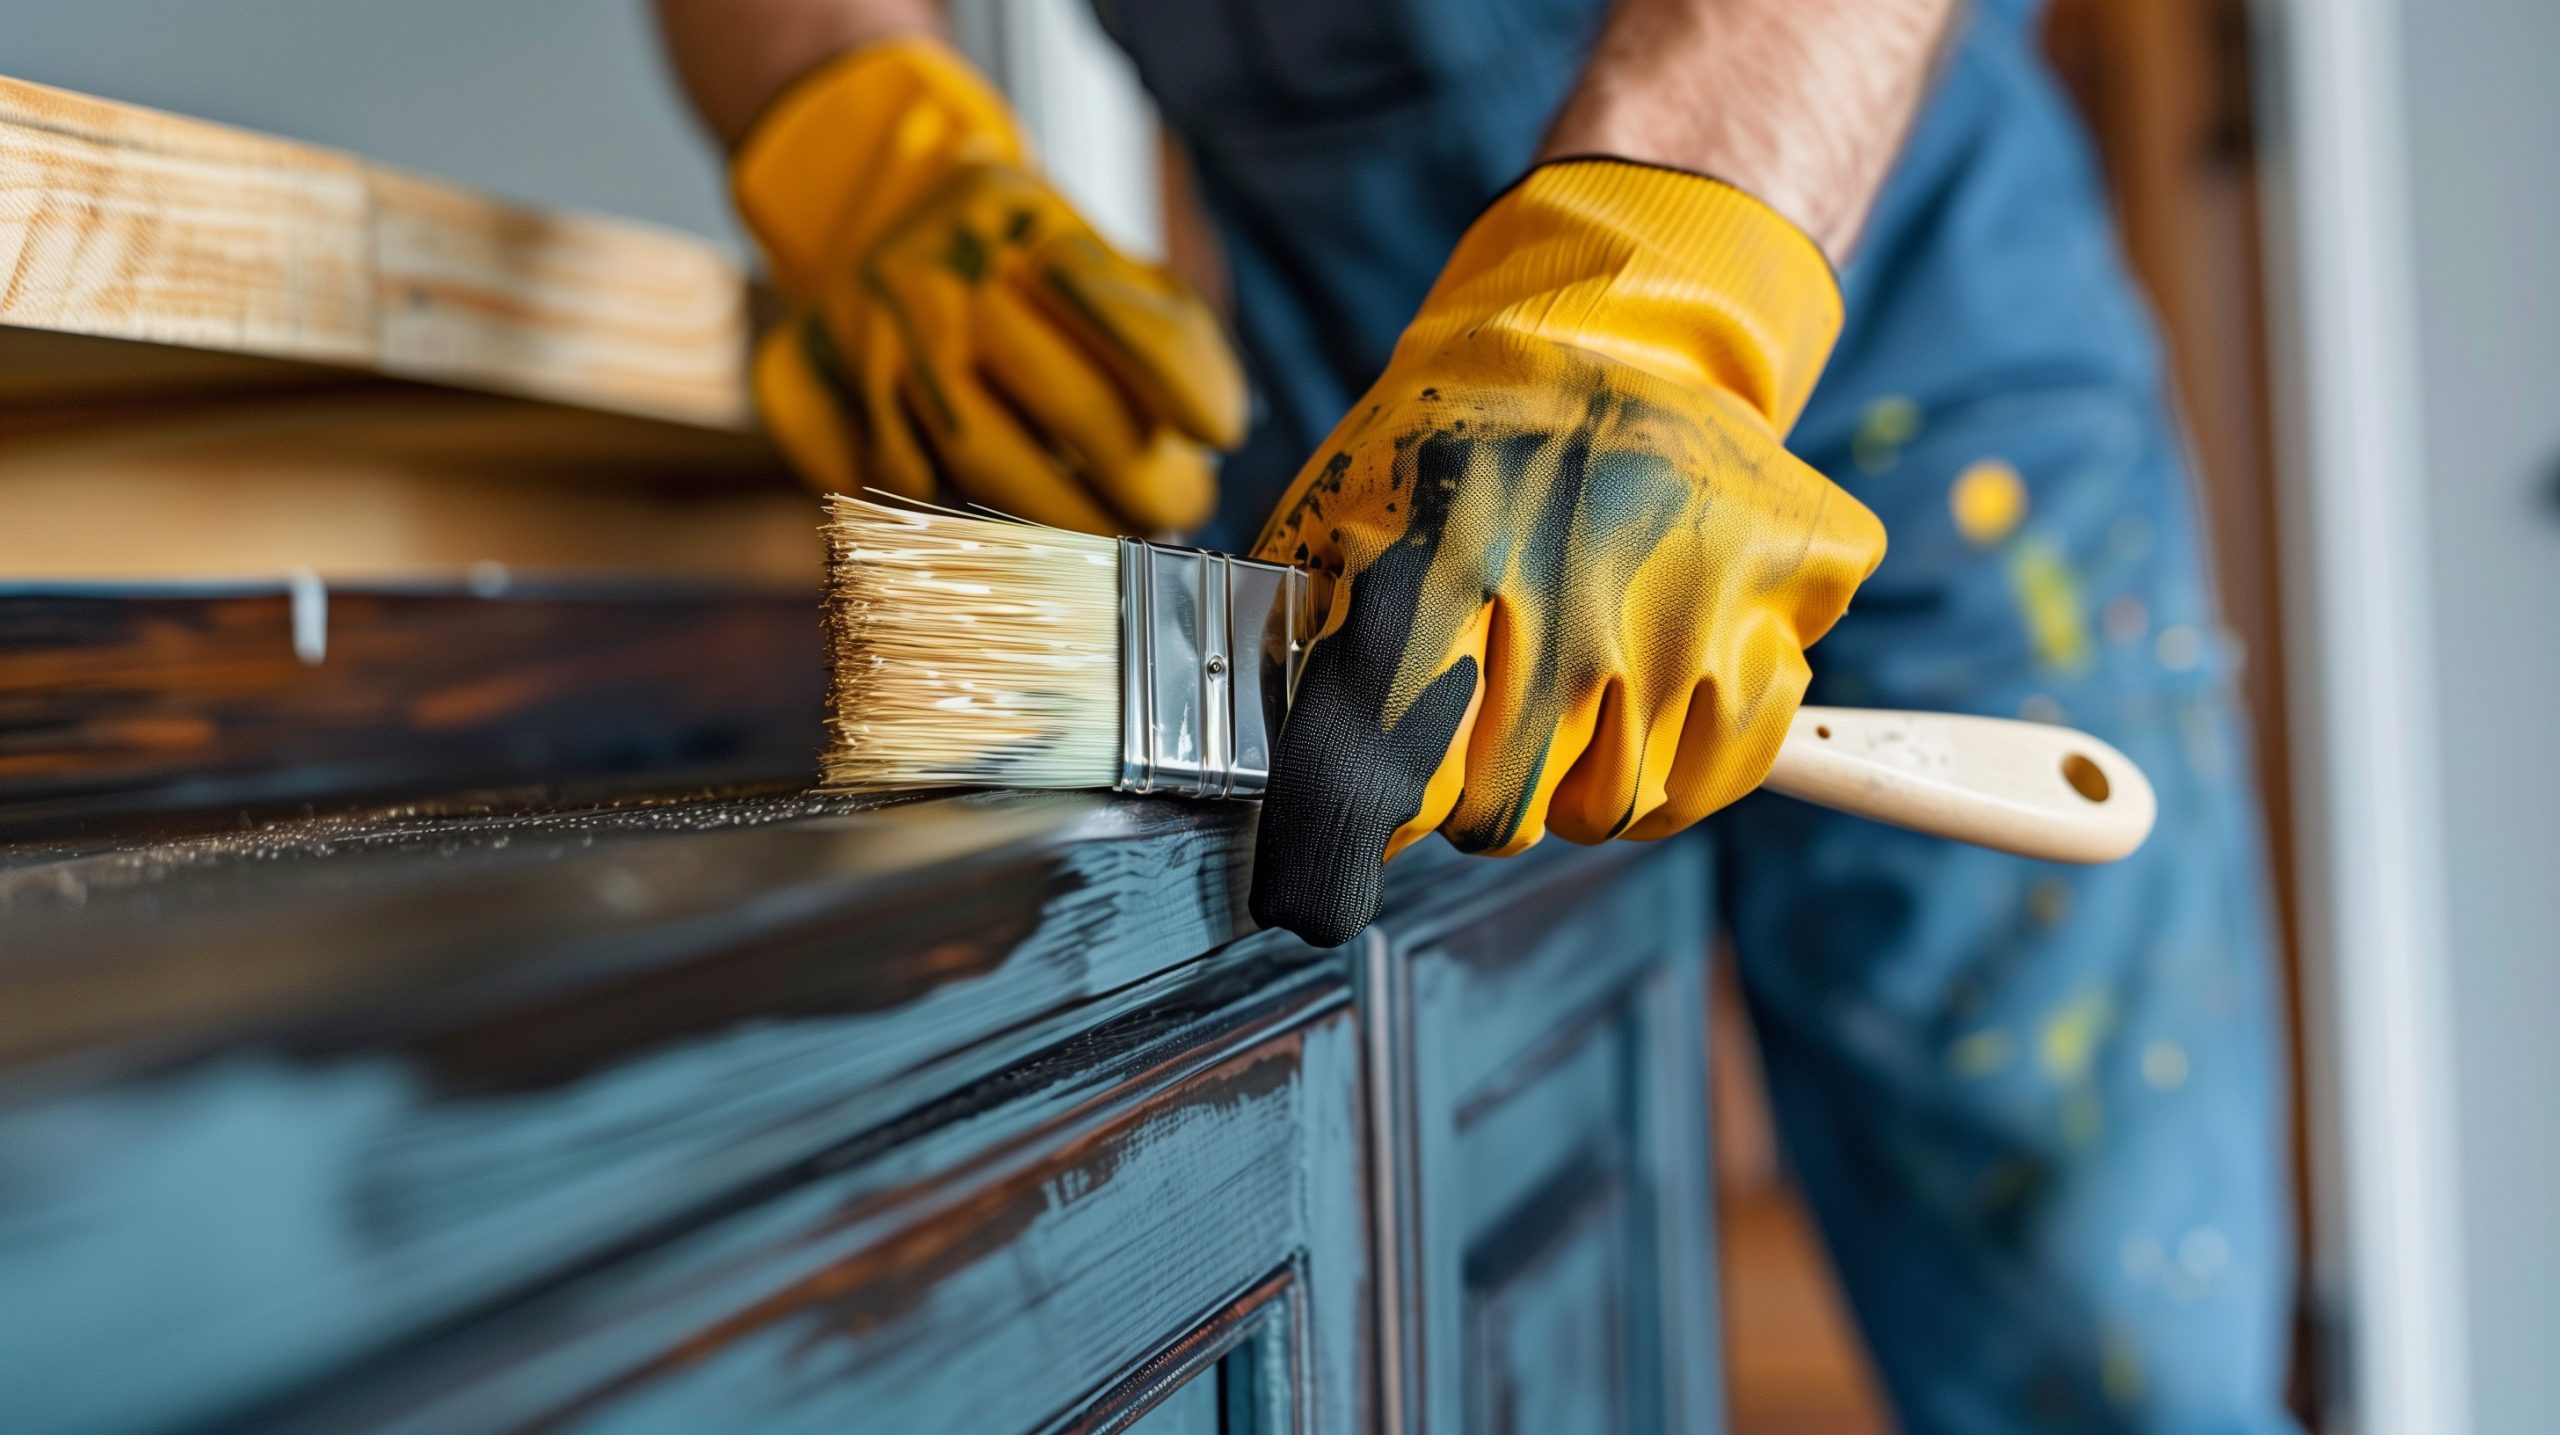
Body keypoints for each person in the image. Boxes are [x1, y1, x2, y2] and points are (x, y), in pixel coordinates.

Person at [654, 0, 2296, 1428]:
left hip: (1923, 400)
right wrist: (865, 144)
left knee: (2100, 1343)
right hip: (1386, 478)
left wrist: (1659, 287)